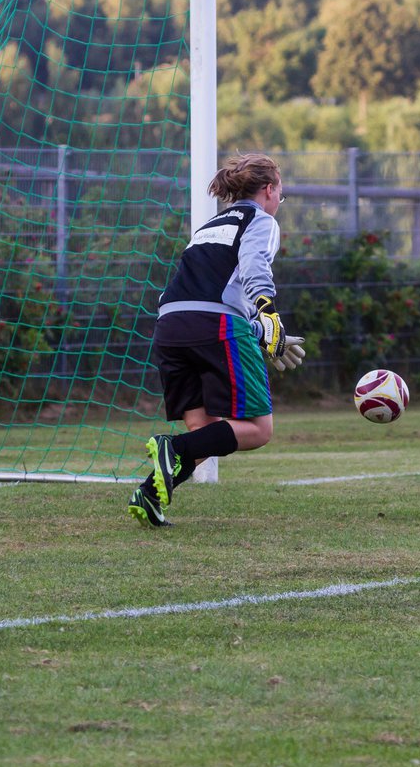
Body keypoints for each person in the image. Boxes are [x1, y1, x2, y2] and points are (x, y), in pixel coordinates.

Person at [129, 153, 305, 527]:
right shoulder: (261, 219)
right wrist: (268, 312)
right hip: (214, 326)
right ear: (270, 189)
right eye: (280, 194)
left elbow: (214, 291)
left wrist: (258, 332)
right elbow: (254, 262)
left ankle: (149, 493)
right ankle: (171, 447)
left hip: (170, 325)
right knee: (258, 429)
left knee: (204, 430)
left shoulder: (210, 225)